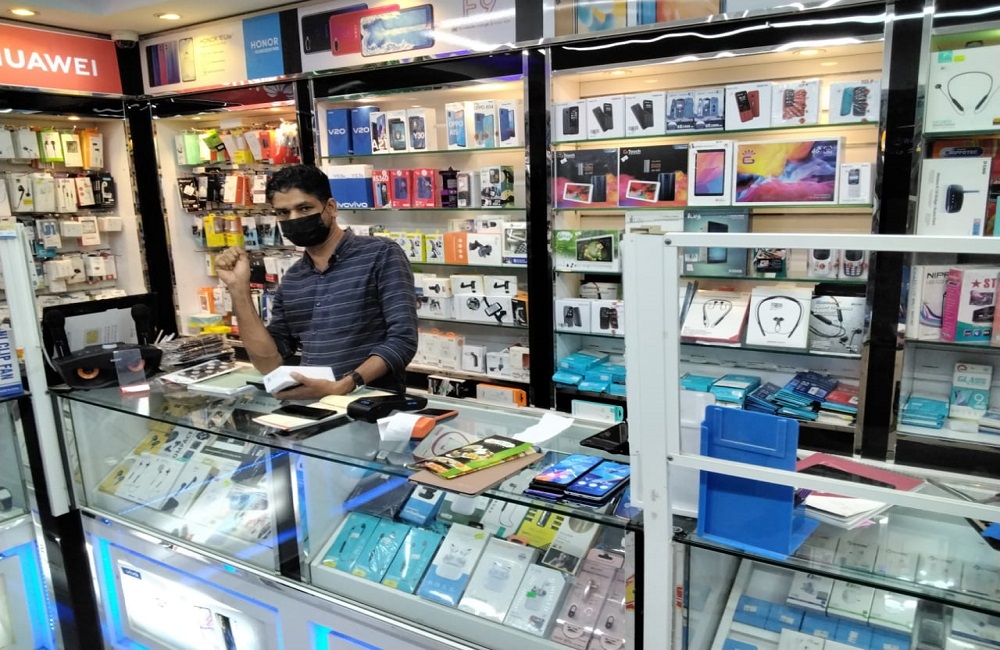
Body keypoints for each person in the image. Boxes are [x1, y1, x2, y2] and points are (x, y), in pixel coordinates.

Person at [214, 165, 418, 399]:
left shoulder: (380, 254)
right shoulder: (292, 280)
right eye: (283, 213)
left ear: (331, 207)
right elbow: (268, 363)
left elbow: (403, 340)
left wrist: (346, 384)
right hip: (311, 406)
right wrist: (238, 289)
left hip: (370, 405)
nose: (294, 219)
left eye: (304, 208)